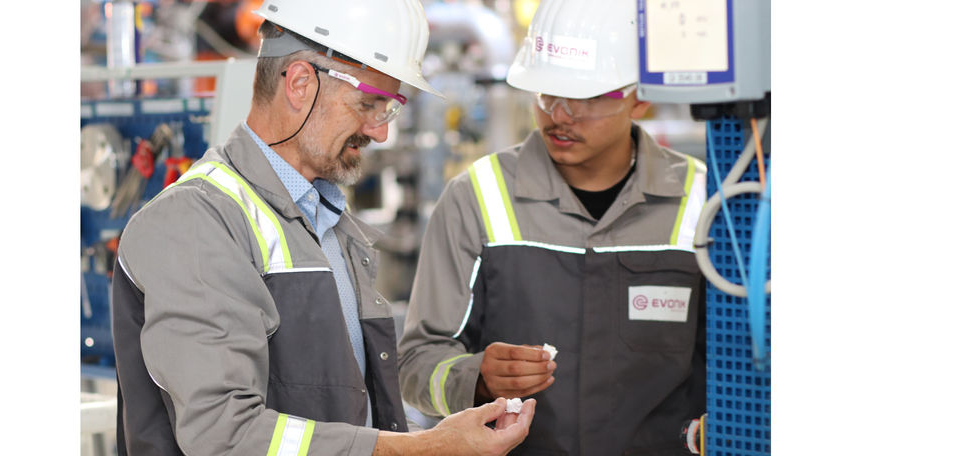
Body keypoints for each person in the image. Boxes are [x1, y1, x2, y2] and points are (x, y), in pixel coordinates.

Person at [110, 0, 536, 454]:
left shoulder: (328, 221)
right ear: (299, 84)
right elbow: (226, 435)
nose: (380, 132)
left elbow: (345, 412)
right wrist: (425, 449)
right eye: (371, 104)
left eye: (388, 110)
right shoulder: (195, 222)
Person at [397, 0, 706, 454]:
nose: (560, 114)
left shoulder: (703, 202)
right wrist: (475, 378)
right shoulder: (477, 197)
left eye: (587, 96)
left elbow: (748, 363)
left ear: (639, 97)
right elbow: (415, 364)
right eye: (546, 93)